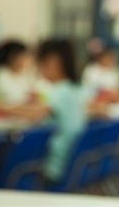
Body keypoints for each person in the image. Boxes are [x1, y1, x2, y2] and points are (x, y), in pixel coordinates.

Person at [36, 38, 91, 183]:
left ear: (54, 62)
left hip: (54, 167)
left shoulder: (59, 91)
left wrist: (4, 108)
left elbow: (37, 112)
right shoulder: (76, 89)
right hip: (73, 164)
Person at [0, 39, 45, 120]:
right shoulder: (1, 73)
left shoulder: (23, 74)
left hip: (20, 114)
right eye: (23, 56)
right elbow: (13, 99)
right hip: (6, 116)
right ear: (12, 57)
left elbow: (35, 94)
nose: (26, 60)